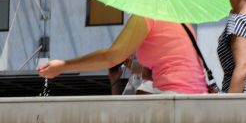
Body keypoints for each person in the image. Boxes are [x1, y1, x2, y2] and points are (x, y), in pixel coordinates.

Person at [38, 15, 209, 94]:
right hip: (198, 97)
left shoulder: (146, 15)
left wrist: (63, 66)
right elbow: (167, 65)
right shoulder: (179, 19)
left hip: (172, 98)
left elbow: (111, 57)